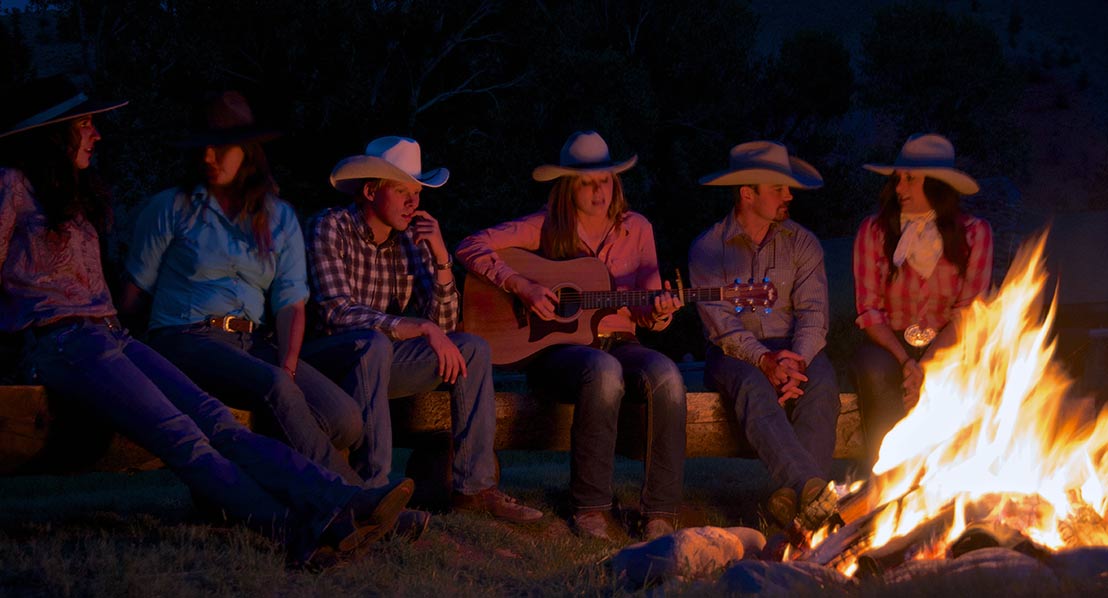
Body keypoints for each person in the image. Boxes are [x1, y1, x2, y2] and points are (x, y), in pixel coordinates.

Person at [0, 74, 413, 567]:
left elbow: (288, 301)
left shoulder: (68, 193)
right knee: (181, 434)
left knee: (216, 420)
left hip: (112, 335)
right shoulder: (11, 184)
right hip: (62, 340)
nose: (97, 133)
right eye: (85, 123)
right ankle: (292, 530)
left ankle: (341, 500)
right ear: (53, 132)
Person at [120, 92, 369, 490]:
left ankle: (278, 487)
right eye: (203, 148)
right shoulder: (171, 208)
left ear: (247, 151)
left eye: (220, 148)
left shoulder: (278, 217)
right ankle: (351, 495)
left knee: (345, 417)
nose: (208, 157)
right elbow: (134, 293)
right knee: (273, 387)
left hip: (252, 341)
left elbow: (290, 303)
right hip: (185, 335)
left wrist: (288, 367)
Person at [456, 131, 686, 541]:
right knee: (602, 370)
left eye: (606, 180)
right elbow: (471, 246)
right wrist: (521, 285)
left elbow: (646, 304)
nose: (600, 190)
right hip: (560, 350)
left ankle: (659, 513)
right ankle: (590, 507)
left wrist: (659, 312)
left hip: (620, 341)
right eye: (587, 182)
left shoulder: (637, 229)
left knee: (667, 375)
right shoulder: (544, 225)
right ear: (567, 186)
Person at [302, 136, 542, 524]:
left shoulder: (411, 242)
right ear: (371, 191)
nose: (413, 202)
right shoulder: (329, 226)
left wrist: (442, 259)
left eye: (417, 193)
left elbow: (444, 327)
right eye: (403, 191)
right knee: (373, 344)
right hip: (328, 363)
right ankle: (373, 490)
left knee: (472, 348)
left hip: (382, 360)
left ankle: (475, 489)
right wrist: (418, 326)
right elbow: (336, 311)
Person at [689, 140, 839, 531]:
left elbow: (814, 315)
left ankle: (792, 498)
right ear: (747, 194)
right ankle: (810, 487)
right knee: (753, 385)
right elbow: (721, 325)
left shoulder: (802, 243)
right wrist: (763, 360)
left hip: (793, 349)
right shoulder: (708, 248)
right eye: (778, 188)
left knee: (822, 383)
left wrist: (797, 360)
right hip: (732, 353)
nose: (789, 195)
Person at [851, 133, 993, 466]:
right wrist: (907, 363)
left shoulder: (975, 233)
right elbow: (869, 310)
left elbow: (968, 313)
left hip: (948, 342)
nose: (899, 187)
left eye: (910, 179)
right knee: (874, 369)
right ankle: (884, 475)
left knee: (965, 371)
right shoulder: (874, 232)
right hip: (890, 344)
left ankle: (949, 476)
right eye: (898, 179)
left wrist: (928, 364)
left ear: (937, 185)